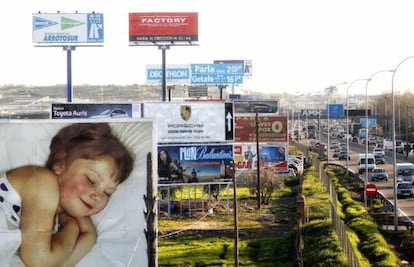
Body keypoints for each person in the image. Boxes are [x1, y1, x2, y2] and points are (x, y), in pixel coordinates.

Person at [0, 123, 134, 267]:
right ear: (60, 164)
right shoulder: (41, 182)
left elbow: (89, 237)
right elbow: (39, 263)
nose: (97, 196)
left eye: (108, 193)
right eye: (91, 180)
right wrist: (72, 227)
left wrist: (82, 229)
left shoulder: (58, 215)